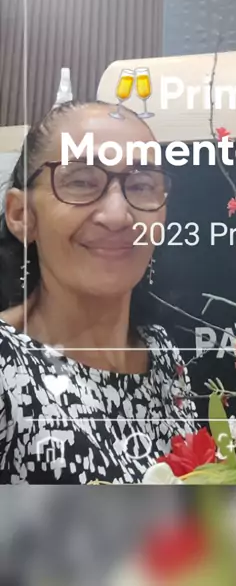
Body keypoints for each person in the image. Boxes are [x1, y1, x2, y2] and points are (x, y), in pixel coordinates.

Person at [0, 100, 198, 484]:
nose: (117, 215)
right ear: (22, 215)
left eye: (141, 185)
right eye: (81, 182)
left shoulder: (163, 357)